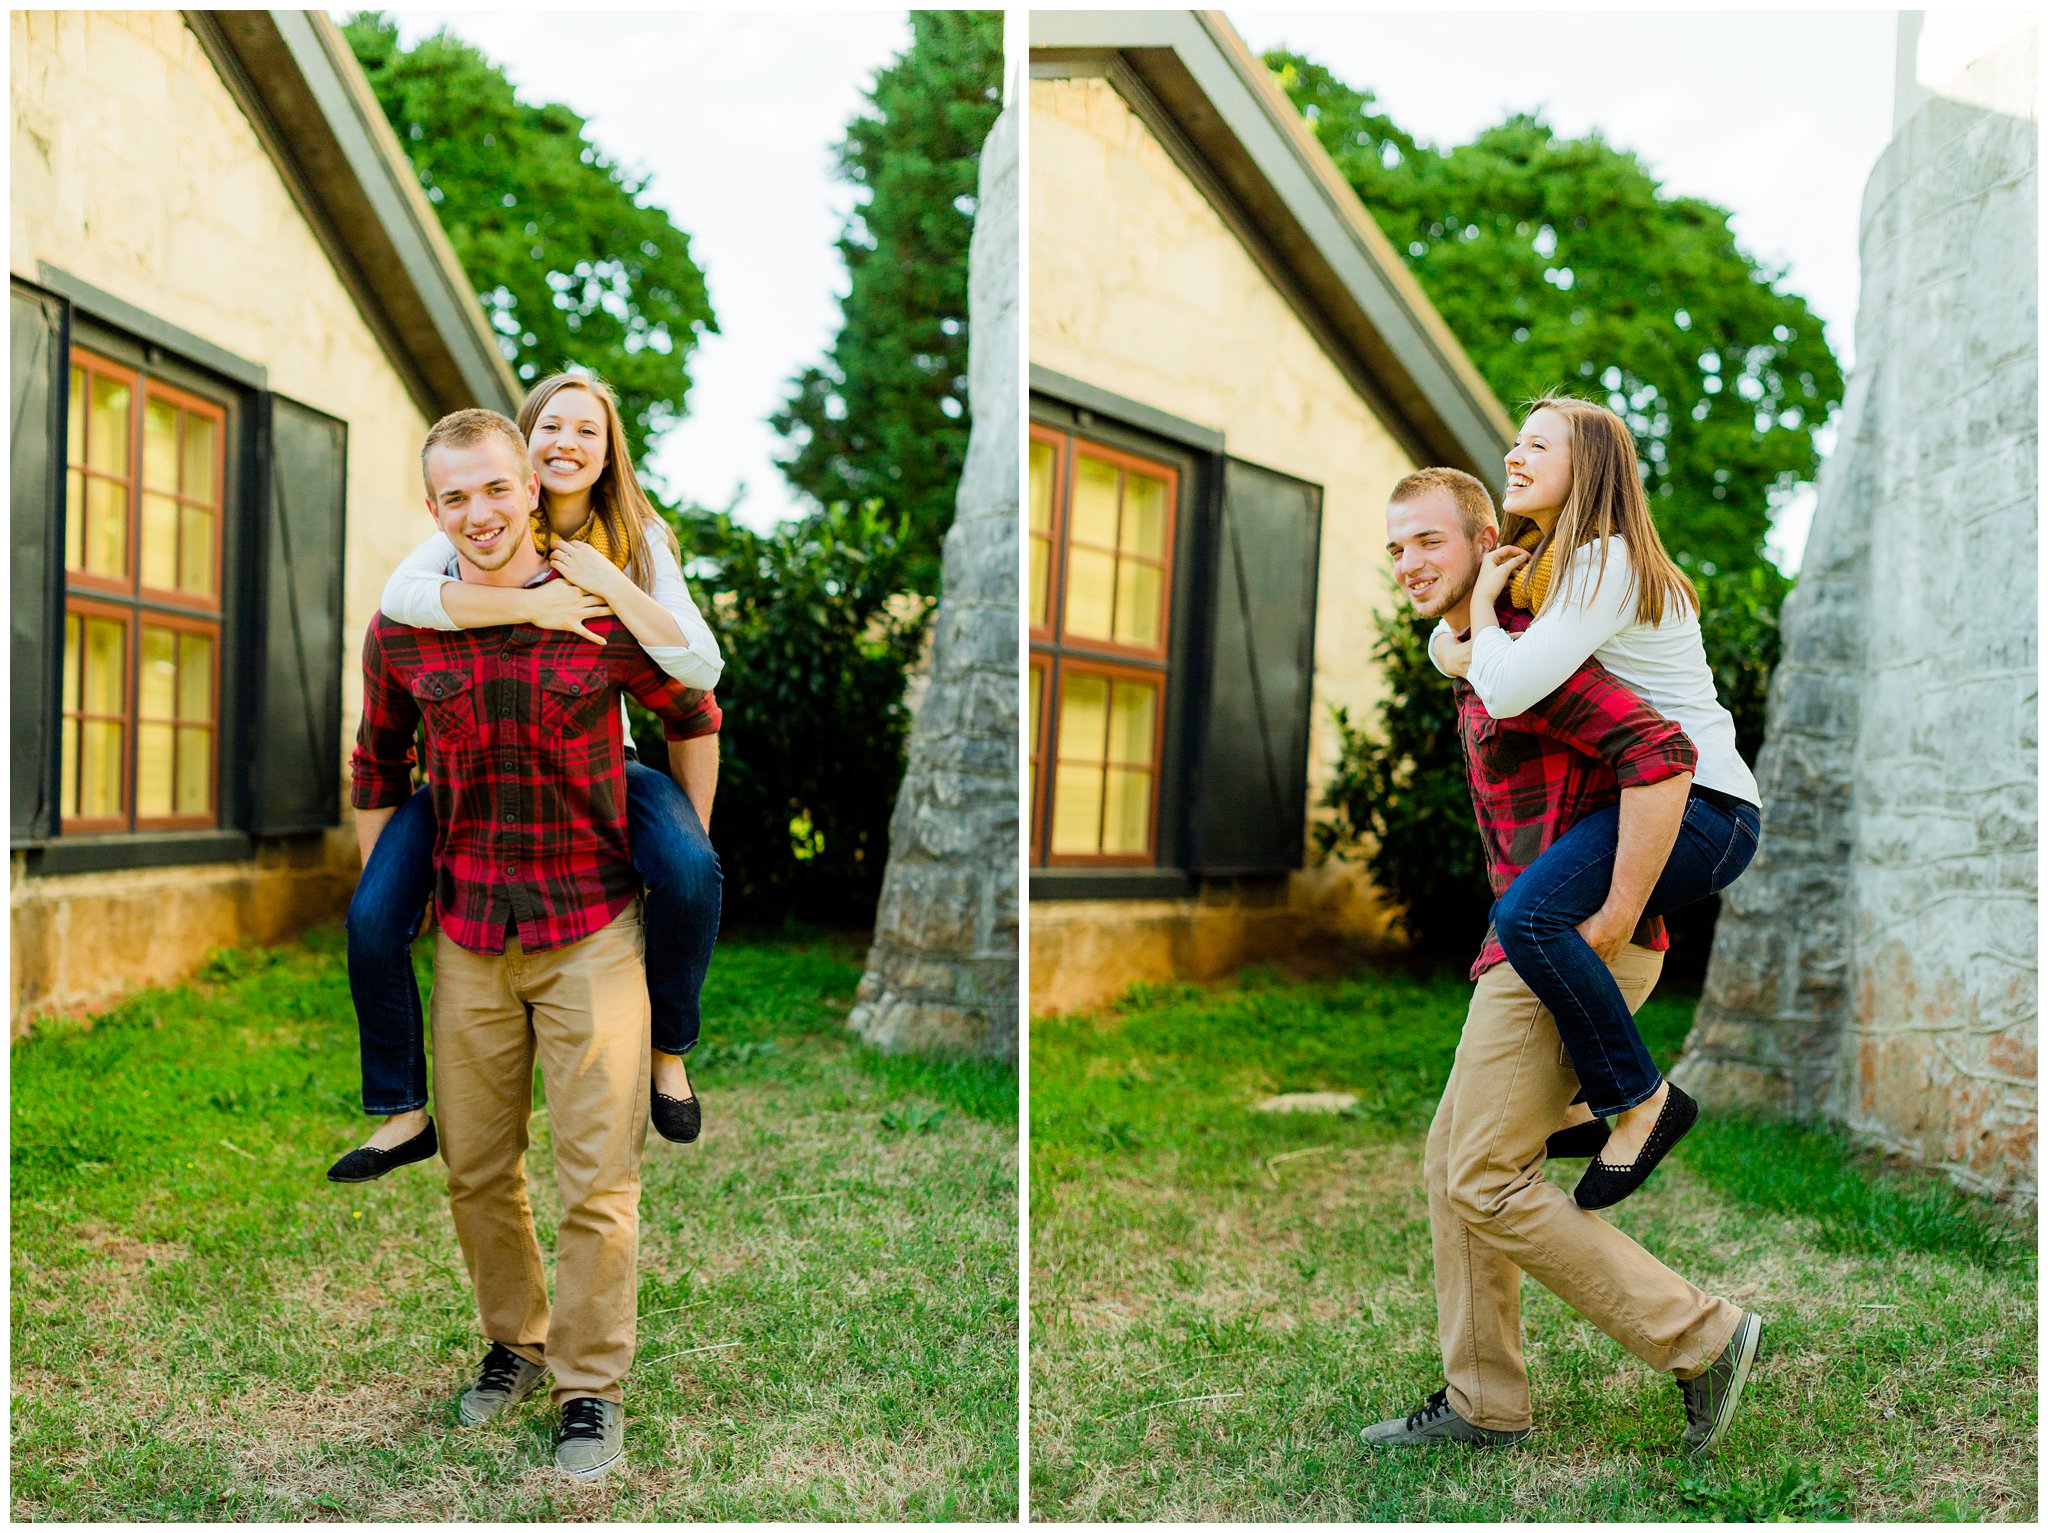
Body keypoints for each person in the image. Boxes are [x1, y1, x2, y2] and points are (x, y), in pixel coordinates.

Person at [350, 407, 718, 1477]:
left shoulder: (597, 614)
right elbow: (377, 764)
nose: (478, 512)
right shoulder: (405, 628)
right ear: (434, 510)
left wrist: (689, 841)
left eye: (495, 489)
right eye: (454, 496)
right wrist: (395, 889)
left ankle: (590, 1391)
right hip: (469, 931)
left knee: (597, 1178)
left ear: (530, 492)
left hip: (589, 931)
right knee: (474, 1170)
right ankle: (514, 1342)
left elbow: (693, 710)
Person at [1365, 467, 1760, 1453]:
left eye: (1428, 542)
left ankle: (1700, 1336)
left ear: (1485, 541)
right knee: (1450, 1163)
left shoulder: (1537, 660)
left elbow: (1658, 752)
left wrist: (1615, 915)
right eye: (1396, 548)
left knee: (1485, 1178)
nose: (1409, 563)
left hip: (1570, 946)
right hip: (1529, 943)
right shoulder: (1487, 651)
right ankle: (1482, 1401)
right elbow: (1457, 653)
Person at [328, 373, 722, 1185]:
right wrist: (531, 608)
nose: (568, 441)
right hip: (470, 772)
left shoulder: (640, 540)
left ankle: (667, 1051)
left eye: (589, 429)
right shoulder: (479, 517)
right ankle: (402, 1109)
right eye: (551, 425)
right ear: (526, 441)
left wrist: (605, 585)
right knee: (370, 918)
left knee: (690, 869)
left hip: (603, 758)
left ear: (607, 452)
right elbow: (400, 600)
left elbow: (697, 676)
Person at [1426, 396, 1762, 1208]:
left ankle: (1642, 1101)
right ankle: (1584, 1099)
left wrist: (1477, 615)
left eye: (1537, 445)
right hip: (1666, 800)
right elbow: (1451, 653)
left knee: (1531, 917)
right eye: (1515, 440)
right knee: (1540, 916)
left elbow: (1500, 686)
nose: (1513, 455)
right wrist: (1475, 617)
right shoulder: (1553, 561)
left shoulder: (1603, 562)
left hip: (1706, 808)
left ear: (1590, 469)